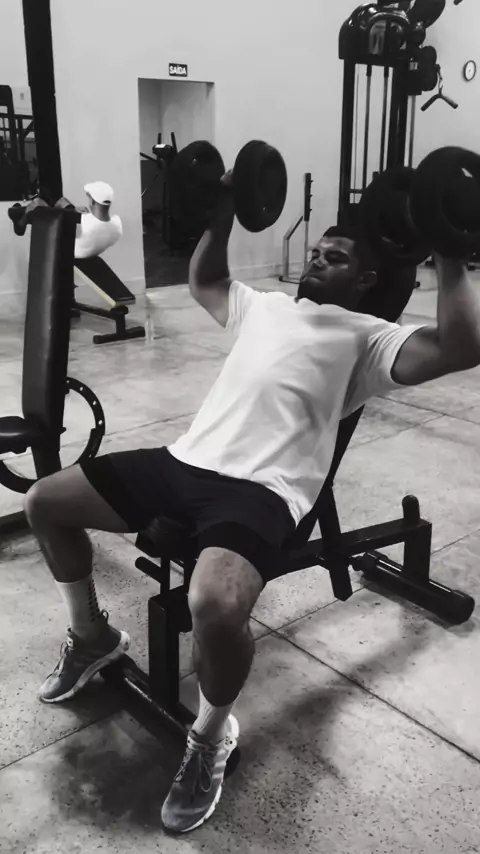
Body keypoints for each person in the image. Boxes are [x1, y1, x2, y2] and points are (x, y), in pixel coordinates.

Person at [25, 173, 480, 834]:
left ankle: (210, 736)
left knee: (214, 603)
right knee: (45, 500)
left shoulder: (371, 336)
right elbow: (206, 280)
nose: (317, 261)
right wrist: (224, 207)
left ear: (364, 280)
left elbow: (462, 347)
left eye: (335, 258)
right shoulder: (264, 306)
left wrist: (448, 250)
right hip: (183, 461)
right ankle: (93, 636)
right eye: (316, 252)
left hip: (263, 492)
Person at [74, 180, 123, 259]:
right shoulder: (117, 225)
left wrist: (72, 211)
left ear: (92, 201)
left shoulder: (82, 223)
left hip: (72, 257)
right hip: (92, 256)